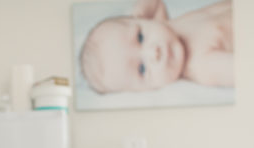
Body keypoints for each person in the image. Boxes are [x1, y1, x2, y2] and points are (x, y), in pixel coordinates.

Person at [79, 0, 233, 94]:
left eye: (140, 37)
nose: (153, 52)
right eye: (142, 69)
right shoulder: (202, 65)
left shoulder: (166, 27)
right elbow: (246, 67)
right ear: (148, 90)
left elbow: (155, 2)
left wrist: (137, 15)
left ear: (143, 20)